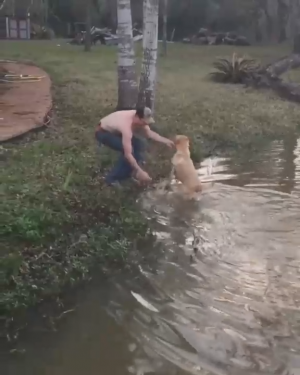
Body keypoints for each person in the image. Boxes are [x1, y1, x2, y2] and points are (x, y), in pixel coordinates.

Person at [95, 107, 174, 185]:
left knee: (139, 144)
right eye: (144, 122)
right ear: (137, 118)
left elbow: (148, 133)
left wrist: (165, 140)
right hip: (102, 132)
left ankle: (126, 175)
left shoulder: (137, 115)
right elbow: (128, 154)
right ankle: (111, 179)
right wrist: (140, 171)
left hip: (115, 131)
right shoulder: (126, 126)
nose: (145, 125)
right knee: (128, 150)